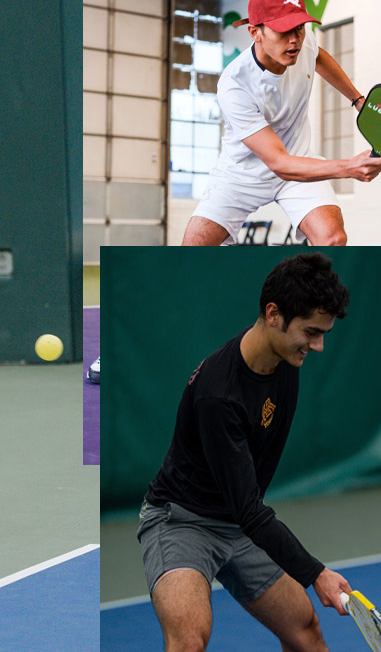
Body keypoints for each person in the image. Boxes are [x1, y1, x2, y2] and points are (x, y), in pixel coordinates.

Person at [138, 253, 353, 651]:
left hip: (240, 524)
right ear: (274, 314)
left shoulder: (287, 361)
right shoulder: (219, 394)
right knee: (188, 640)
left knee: (305, 631)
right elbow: (250, 509)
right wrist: (316, 573)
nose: (318, 346)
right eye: (311, 332)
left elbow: (249, 502)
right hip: (183, 522)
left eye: (323, 333)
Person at [181, 0, 381, 247]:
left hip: (299, 162)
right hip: (242, 176)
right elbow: (278, 162)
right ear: (255, 32)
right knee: (191, 249)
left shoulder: (302, 43)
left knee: (333, 239)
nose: (295, 39)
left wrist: (357, 99)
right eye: (283, 30)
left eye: (299, 27)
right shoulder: (234, 84)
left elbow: (318, 57)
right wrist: (348, 167)